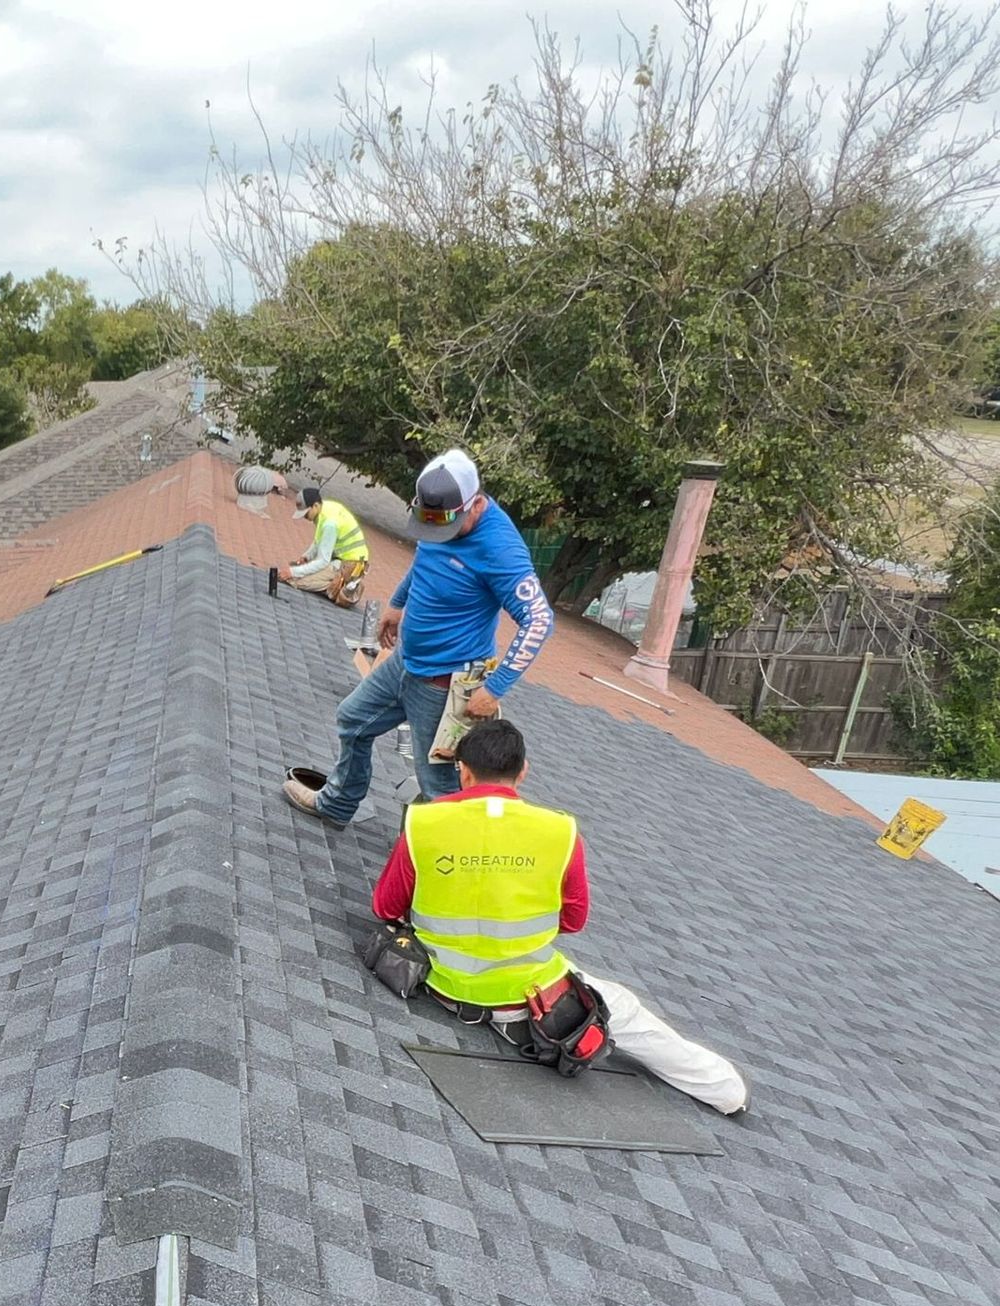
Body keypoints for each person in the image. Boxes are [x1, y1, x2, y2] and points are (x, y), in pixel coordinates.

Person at [371, 718, 748, 1114]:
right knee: (623, 1007)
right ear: (523, 771)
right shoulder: (559, 832)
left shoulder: (424, 821)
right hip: (530, 997)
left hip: (441, 985)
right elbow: (573, 920)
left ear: (463, 771)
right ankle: (728, 1093)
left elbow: (385, 907)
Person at [284, 448, 554, 822]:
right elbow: (426, 559)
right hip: (406, 663)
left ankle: (441, 869)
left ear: (474, 505)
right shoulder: (438, 518)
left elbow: (539, 620)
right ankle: (339, 804)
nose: (436, 534)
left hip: (444, 685)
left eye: (446, 527)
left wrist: (495, 688)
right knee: (352, 720)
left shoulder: (501, 551)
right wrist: (397, 603)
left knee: (438, 785)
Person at [280, 486, 369, 607]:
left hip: (349, 566)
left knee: (296, 581)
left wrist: (293, 572)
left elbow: (323, 561)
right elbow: (320, 540)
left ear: (315, 506)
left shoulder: (329, 524)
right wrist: (307, 556)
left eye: (306, 513)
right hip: (344, 559)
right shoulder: (326, 508)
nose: (305, 517)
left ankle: (340, 586)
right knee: (300, 571)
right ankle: (333, 580)